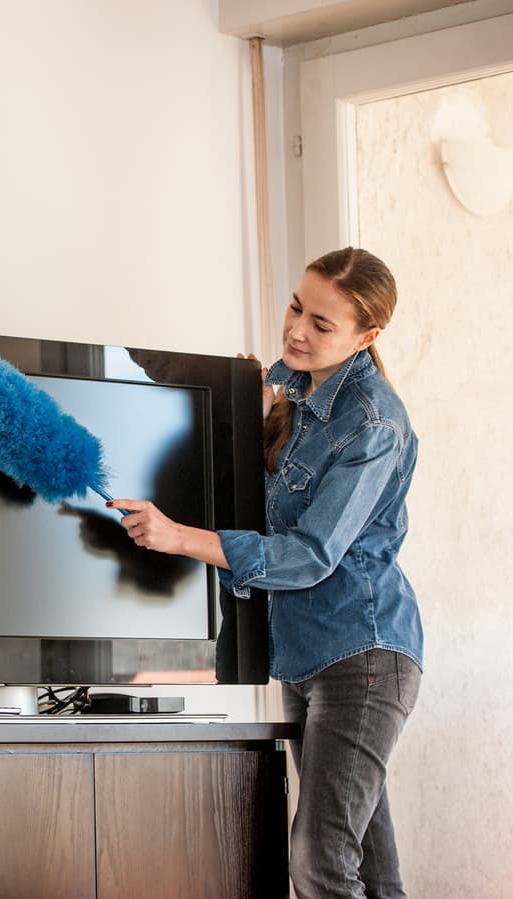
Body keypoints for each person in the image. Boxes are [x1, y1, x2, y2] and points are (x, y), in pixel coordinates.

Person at [108, 247, 423, 899]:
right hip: (309, 657)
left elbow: (310, 553)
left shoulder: (371, 423)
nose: (298, 331)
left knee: (319, 858)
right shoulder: (294, 385)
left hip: (364, 655)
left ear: (366, 336)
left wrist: (177, 536)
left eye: (322, 324)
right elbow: (176, 376)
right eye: (295, 307)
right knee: (367, 862)